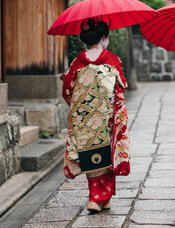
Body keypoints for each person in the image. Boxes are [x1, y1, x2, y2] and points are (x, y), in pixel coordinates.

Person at [61, 18, 130, 211]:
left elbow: (67, 89)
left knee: (89, 152)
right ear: (104, 37)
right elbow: (123, 85)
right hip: (106, 115)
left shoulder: (78, 61)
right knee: (107, 151)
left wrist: (79, 108)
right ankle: (101, 198)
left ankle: (97, 198)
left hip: (85, 116)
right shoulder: (112, 60)